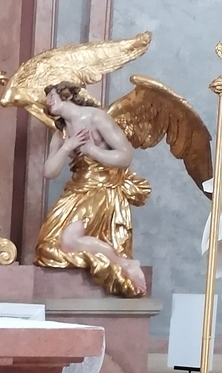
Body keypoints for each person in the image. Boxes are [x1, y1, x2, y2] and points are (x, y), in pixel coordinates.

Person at [35, 82, 148, 296]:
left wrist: (92, 150)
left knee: (68, 241)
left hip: (101, 189)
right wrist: (67, 147)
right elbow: (49, 171)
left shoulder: (96, 118)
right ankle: (123, 263)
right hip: (77, 190)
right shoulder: (61, 133)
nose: (48, 101)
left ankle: (124, 264)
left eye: (52, 95)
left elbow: (125, 155)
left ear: (66, 95)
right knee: (46, 246)